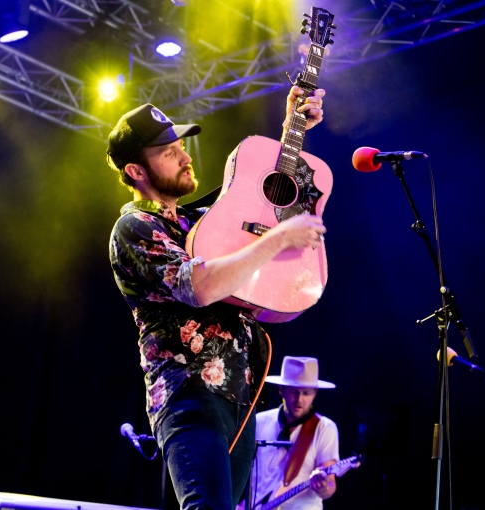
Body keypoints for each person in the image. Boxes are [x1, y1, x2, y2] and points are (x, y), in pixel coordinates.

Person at [105, 85, 327, 510]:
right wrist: (278, 239)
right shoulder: (133, 229)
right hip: (190, 398)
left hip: (238, 403)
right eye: (169, 152)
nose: (186, 156)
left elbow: (264, 208)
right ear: (136, 170)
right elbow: (201, 285)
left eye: (180, 146)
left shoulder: (198, 222)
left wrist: (291, 128)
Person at [244, 356, 339, 510]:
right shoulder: (259, 421)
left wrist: (324, 487)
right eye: (294, 392)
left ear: (315, 392)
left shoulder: (325, 428)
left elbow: (330, 483)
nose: (299, 399)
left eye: (306, 393)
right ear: (281, 390)